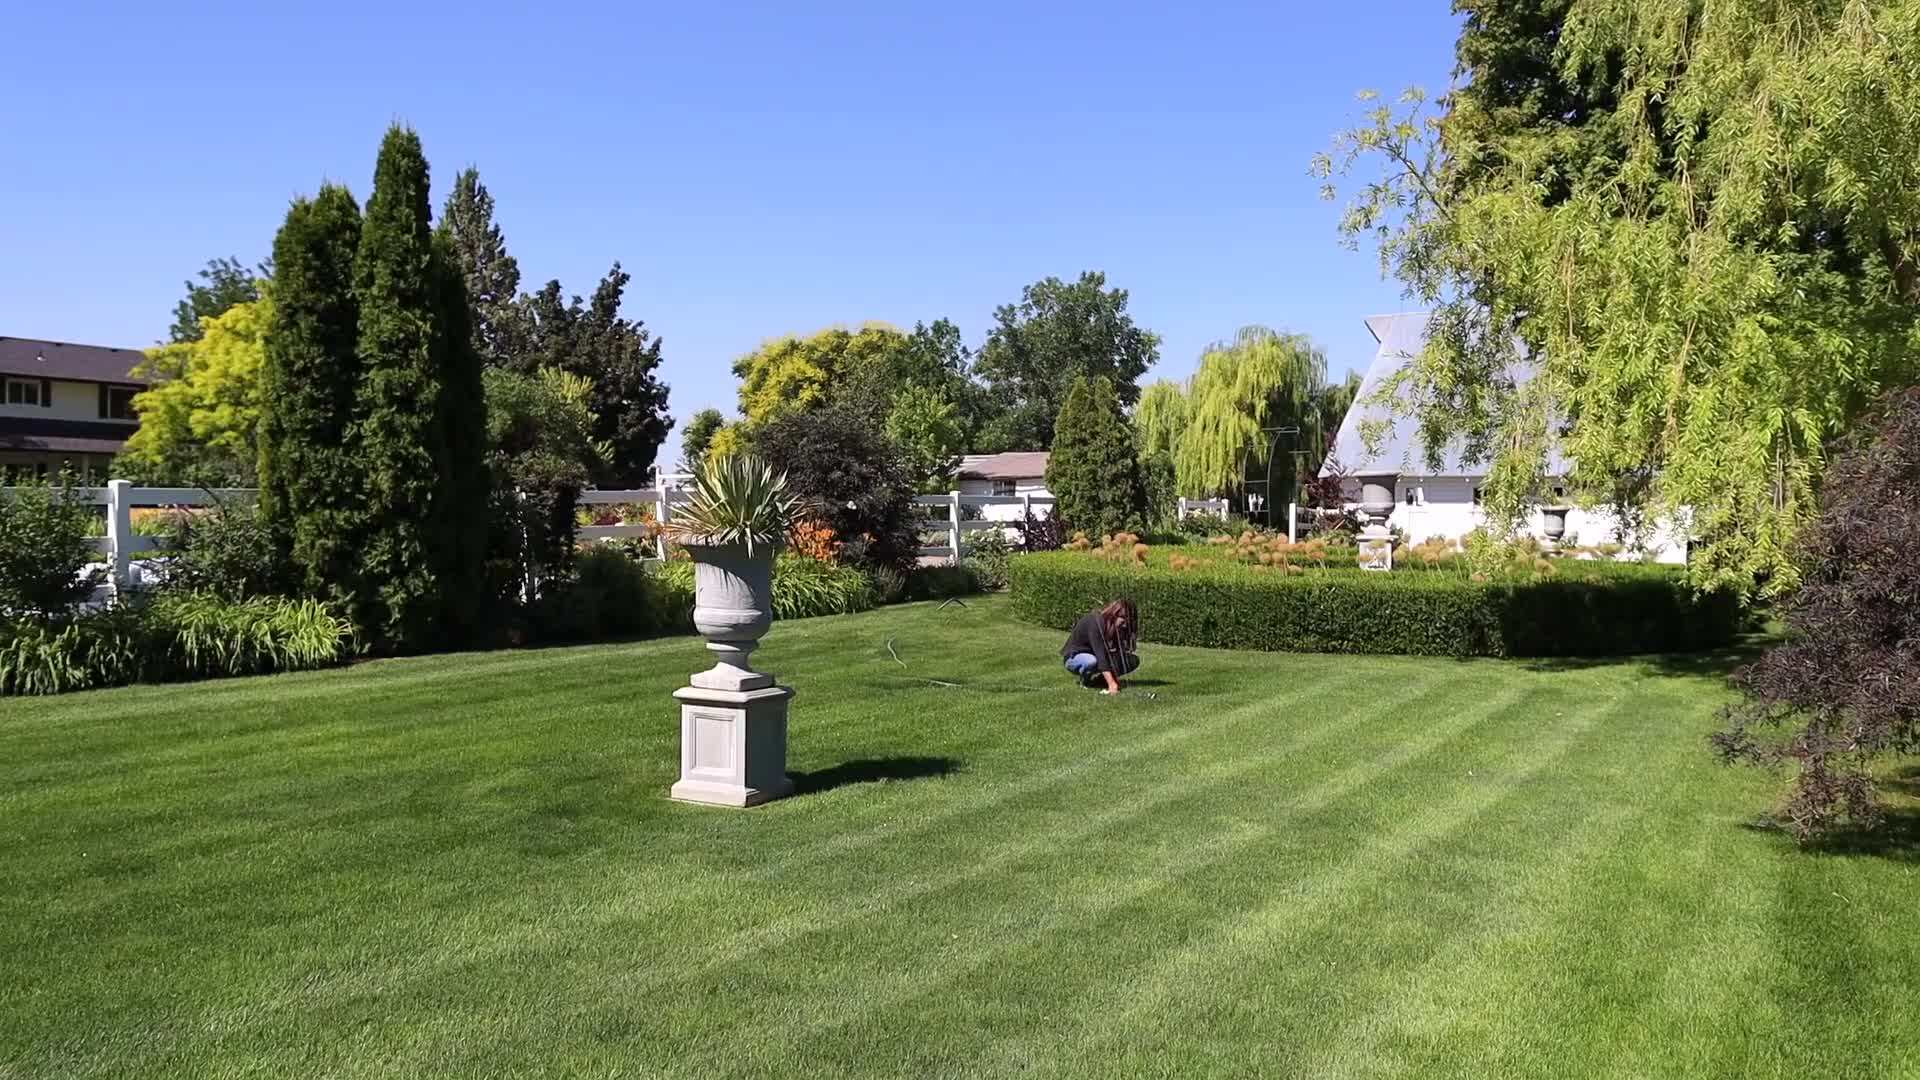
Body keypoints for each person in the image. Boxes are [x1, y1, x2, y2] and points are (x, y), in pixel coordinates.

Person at [1061, 598, 1140, 694]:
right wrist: (1112, 684)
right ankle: (1086, 681)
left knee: (1132, 660)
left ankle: (1099, 682)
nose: (1125, 624)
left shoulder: (1117, 627)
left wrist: (1114, 678)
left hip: (1096, 657)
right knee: (1092, 661)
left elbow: (1118, 654)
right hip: (1074, 658)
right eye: (1123, 618)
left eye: (1129, 620)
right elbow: (1100, 656)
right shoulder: (1095, 622)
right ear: (1114, 614)